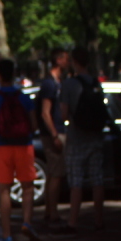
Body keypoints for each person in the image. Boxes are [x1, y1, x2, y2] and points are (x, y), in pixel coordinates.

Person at [0, 58, 39, 241]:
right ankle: (27, 222)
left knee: (4, 190)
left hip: (3, 146)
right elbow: (34, 124)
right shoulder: (24, 98)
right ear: (13, 74)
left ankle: (7, 235)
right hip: (24, 145)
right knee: (27, 187)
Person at [60, 48, 108, 233]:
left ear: (74, 62)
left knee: (76, 181)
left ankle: (73, 221)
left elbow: (64, 113)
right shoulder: (96, 82)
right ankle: (99, 220)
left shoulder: (69, 84)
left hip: (76, 137)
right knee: (97, 180)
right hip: (95, 137)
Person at [37, 48, 69, 227]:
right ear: (58, 59)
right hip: (53, 133)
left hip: (56, 131)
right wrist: (54, 134)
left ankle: (50, 211)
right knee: (56, 174)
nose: (68, 62)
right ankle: (53, 213)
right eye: (65, 58)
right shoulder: (49, 84)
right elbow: (45, 112)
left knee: (53, 173)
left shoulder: (58, 81)